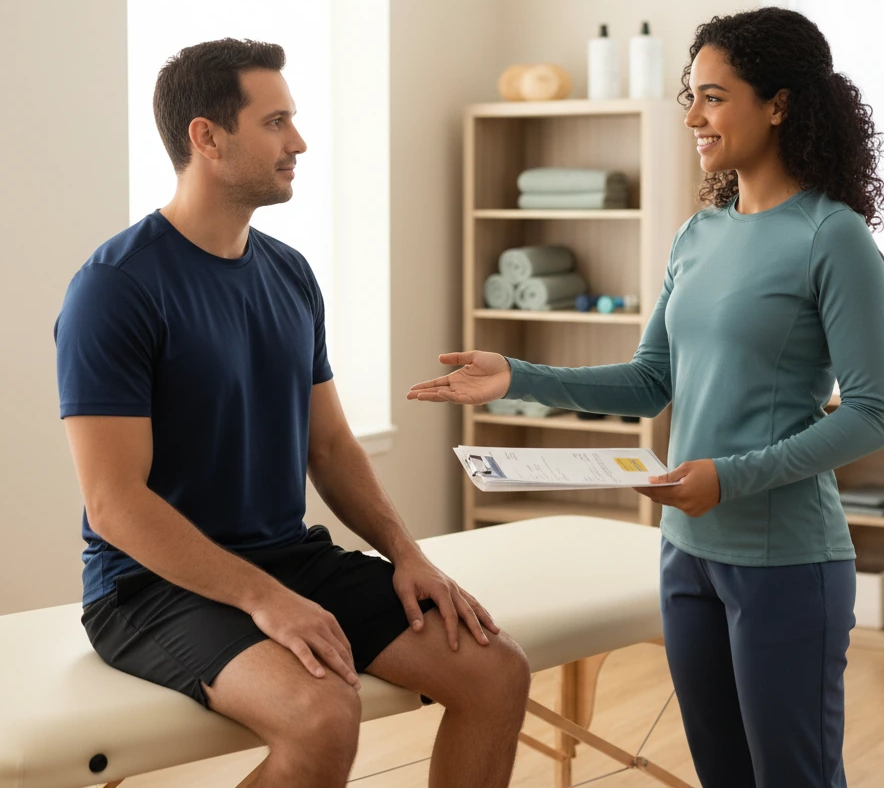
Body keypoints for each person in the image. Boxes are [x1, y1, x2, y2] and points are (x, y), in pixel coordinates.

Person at [407, 7, 884, 788]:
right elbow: (650, 380)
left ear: (779, 104)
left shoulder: (832, 237)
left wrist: (726, 477)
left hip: (784, 561)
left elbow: (874, 412)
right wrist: (520, 376)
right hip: (687, 557)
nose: (694, 118)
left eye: (714, 96)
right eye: (690, 97)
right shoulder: (698, 234)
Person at [55, 38, 530, 788]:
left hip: (284, 556)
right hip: (147, 587)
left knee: (496, 671)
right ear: (206, 138)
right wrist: (267, 601)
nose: (299, 142)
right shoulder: (115, 288)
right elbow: (114, 505)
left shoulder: (288, 273)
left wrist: (406, 551)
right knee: (322, 715)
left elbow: (333, 446)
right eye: (276, 122)